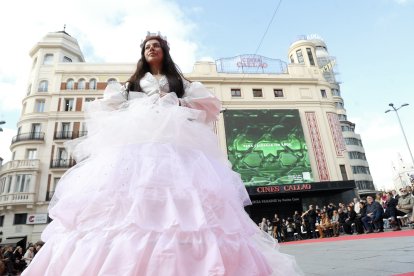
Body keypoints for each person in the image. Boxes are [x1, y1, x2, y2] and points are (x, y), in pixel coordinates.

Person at [22, 33, 302, 276]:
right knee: (134, 195)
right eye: (147, 47)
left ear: (164, 51)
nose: (151, 49)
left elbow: (207, 105)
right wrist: (132, 108)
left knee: (182, 195)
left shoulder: (178, 81)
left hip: (176, 141)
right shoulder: (132, 83)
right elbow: (109, 106)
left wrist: (177, 101)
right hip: (137, 142)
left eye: (156, 45)